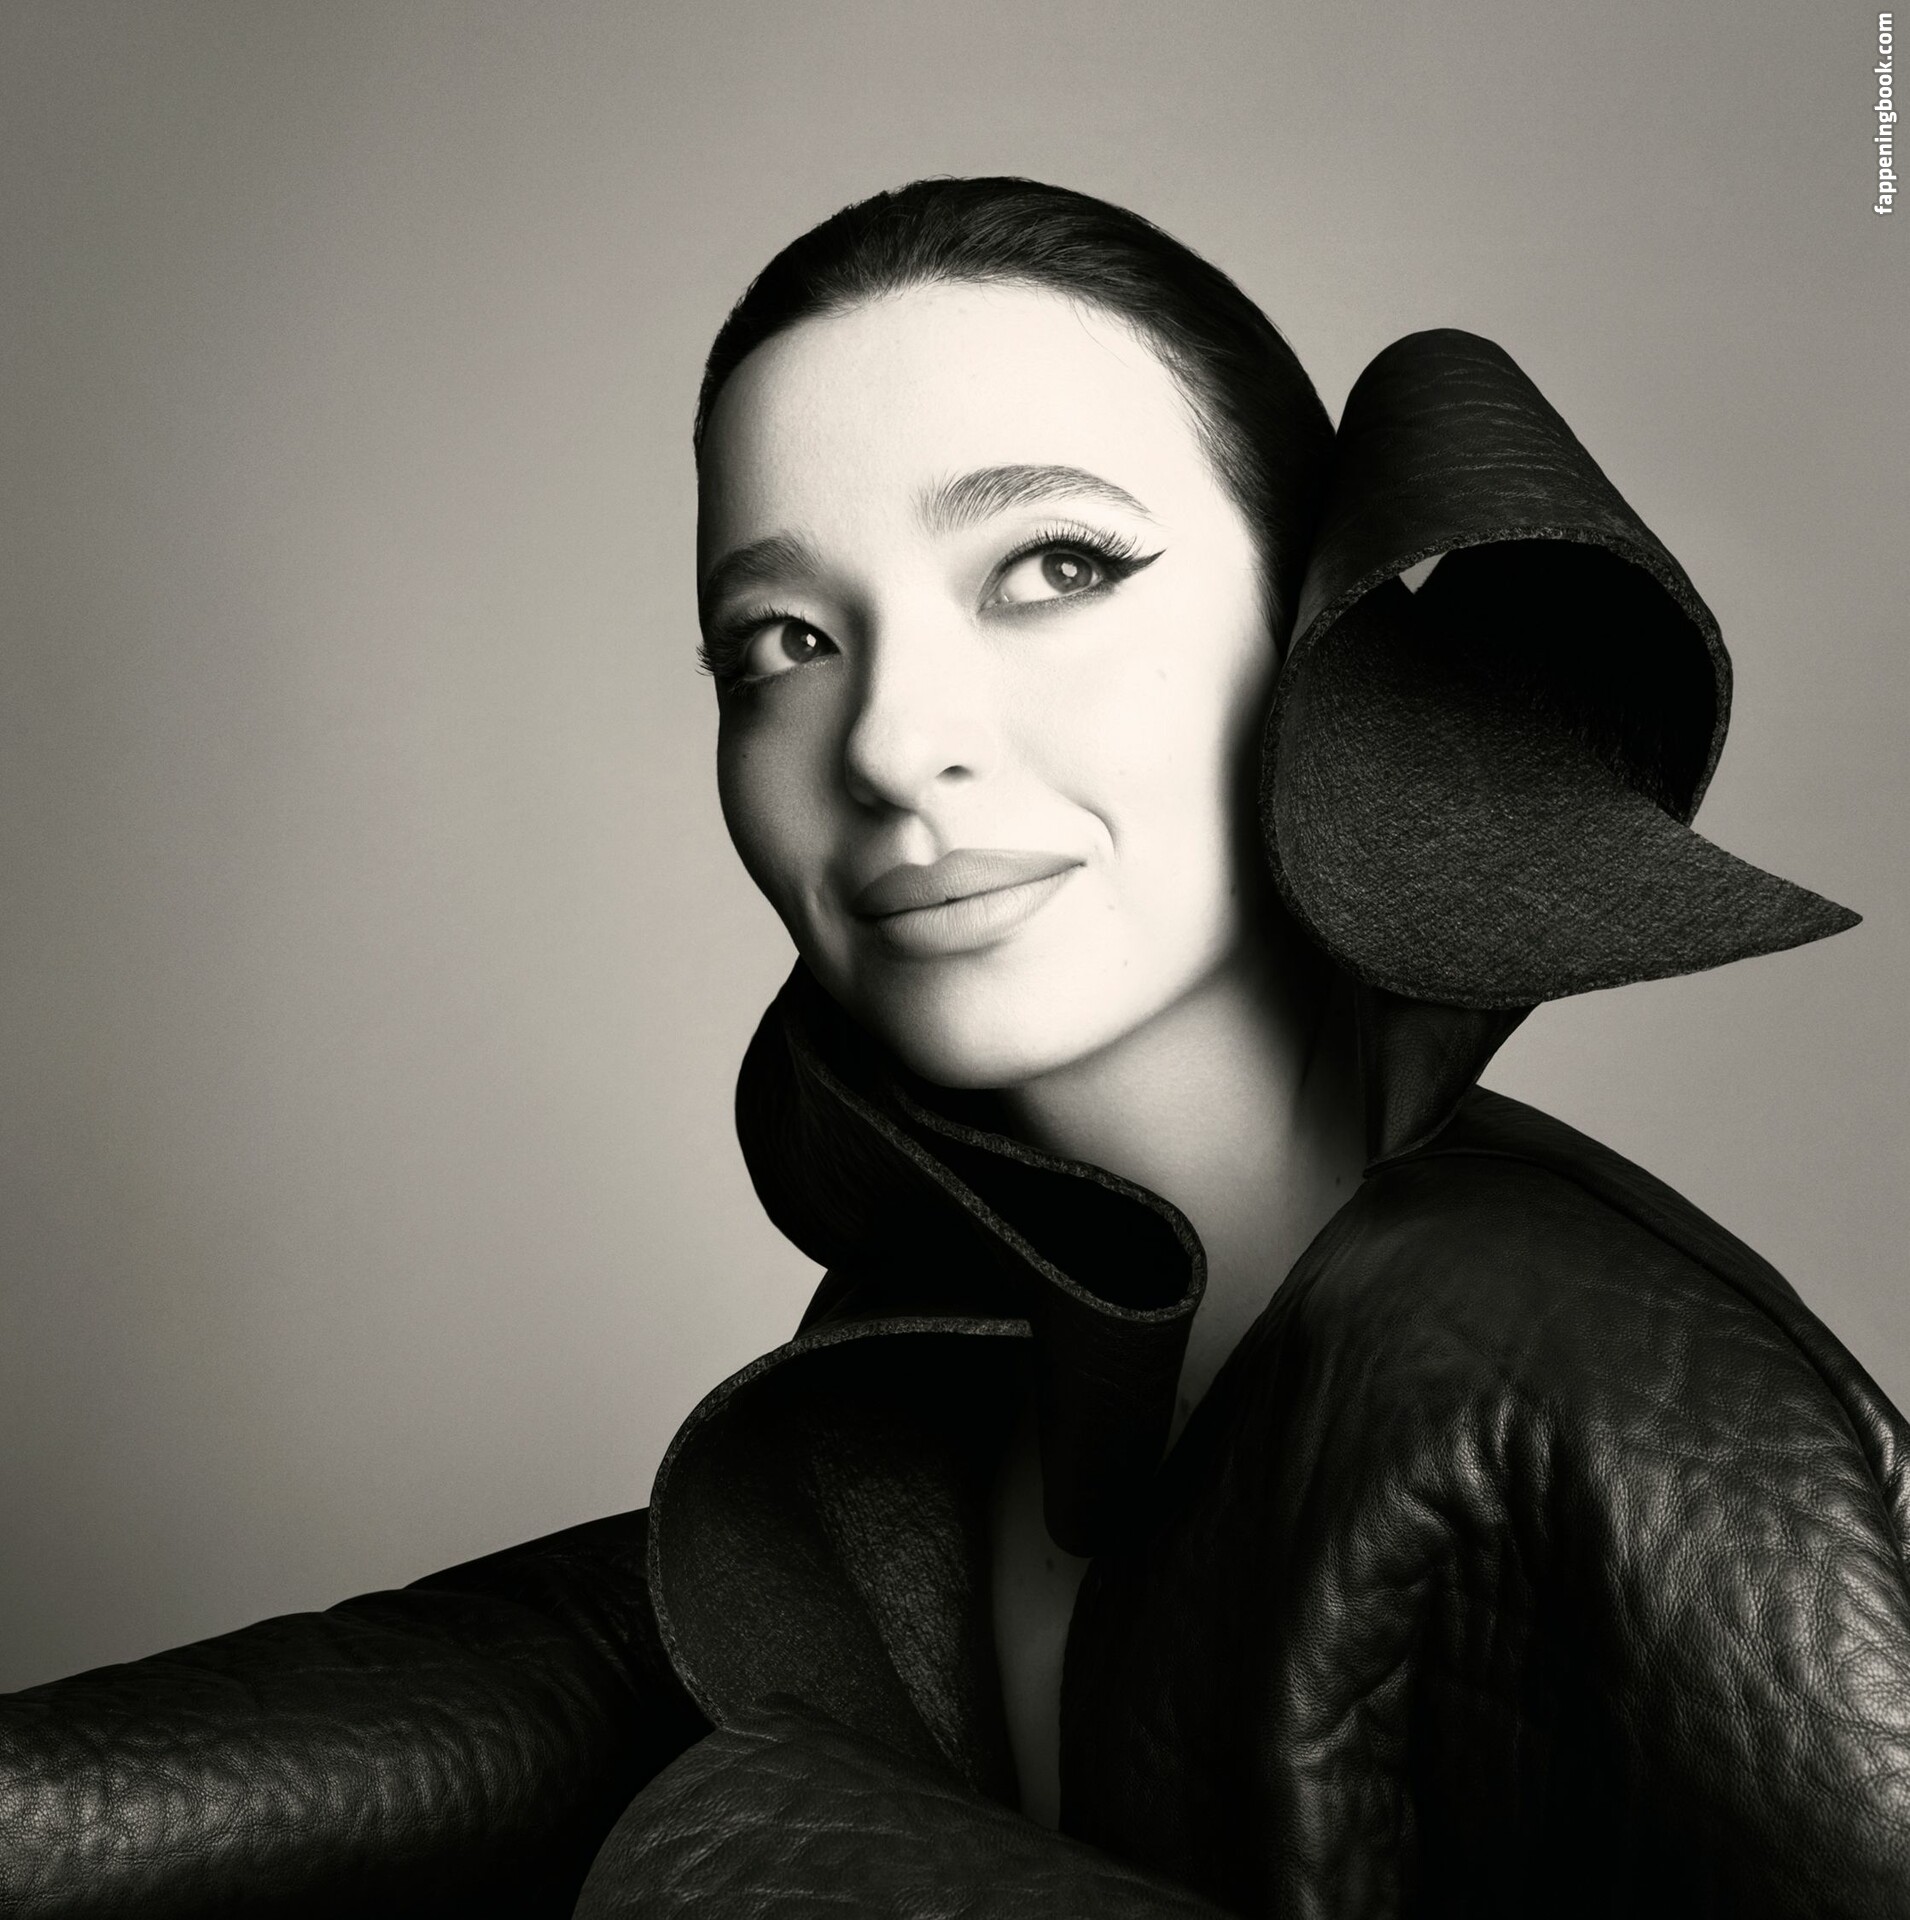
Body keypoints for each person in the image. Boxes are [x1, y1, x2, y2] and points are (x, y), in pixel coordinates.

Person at [3, 178, 1906, 1919]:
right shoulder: (986, 1334)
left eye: (1053, 566)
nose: (892, 745)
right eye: (780, 641)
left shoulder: (1570, 1385)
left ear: (1312, 626)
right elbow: (600, 1670)